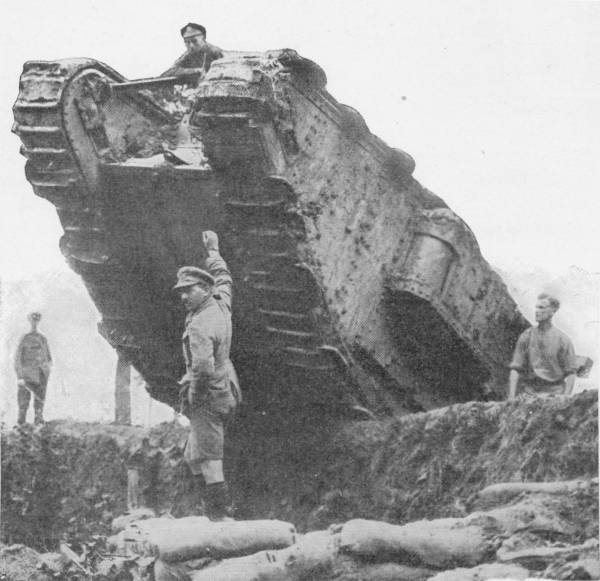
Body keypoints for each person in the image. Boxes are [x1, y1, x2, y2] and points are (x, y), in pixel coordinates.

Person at [173, 231, 241, 520]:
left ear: (203, 288)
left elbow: (201, 368)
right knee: (193, 456)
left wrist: (190, 398)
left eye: (189, 290)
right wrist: (213, 251)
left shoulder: (201, 324)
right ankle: (210, 508)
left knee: (211, 462)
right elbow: (223, 277)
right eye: (181, 292)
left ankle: (219, 519)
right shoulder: (220, 303)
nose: (184, 296)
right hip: (226, 389)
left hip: (208, 399)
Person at [508, 293, 577, 399]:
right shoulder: (527, 336)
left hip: (555, 394)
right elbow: (516, 368)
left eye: (541, 308)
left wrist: (565, 397)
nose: (537, 311)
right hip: (529, 393)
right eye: (536, 307)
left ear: (553, 311)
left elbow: (571, 373)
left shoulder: (563, 340)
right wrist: (511, 397)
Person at [14, 312, 52, 425]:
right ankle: (21, 422)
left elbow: (48, 357)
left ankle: (38, 420)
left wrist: (47, 371)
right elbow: (17, 358)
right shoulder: (25, 338)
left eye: (36, 321)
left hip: (41, 374)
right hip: (27, 374)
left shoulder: (43, 339)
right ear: (30, 321)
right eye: (33, 321)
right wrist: (20, 376)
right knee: (23, 401)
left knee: (40, 400)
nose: (34, 323)